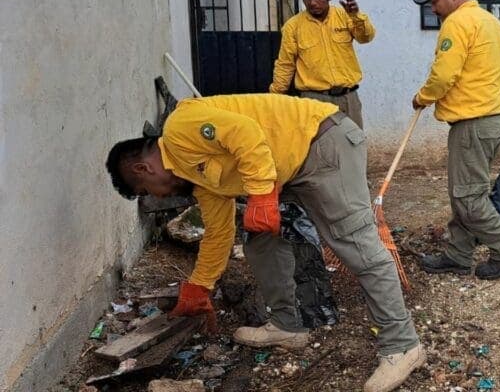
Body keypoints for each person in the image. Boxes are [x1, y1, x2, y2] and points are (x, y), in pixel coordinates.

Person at [105, 94, 424, 392]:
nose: (157, 197)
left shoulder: (179, 128)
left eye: (146, 191)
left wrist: (260, 193)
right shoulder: (197, 178)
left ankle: (403, 345)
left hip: (321, 143)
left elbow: (245, 132)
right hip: (287, 168)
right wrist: (200, 285)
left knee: (355, 245)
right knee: (260, 243)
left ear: (142, 168)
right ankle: (289, 326)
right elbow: (218, 234)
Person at [411, 0, 500, 280]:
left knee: (467, 196)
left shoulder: (456, 23)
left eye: (434, 1)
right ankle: (457, 254)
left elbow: (445, 74)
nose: (432, 9)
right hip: (491, 118)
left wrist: (423, 97)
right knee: (465, 189)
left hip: (473, 123)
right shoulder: (489, 20)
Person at [270, 0, 374, 128]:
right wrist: (275, 96)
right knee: (319, 147)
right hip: (314, 100)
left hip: (348, 98)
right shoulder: (293, 26)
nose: (312, 3)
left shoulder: (345, 16)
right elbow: (285, 64)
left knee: (354, 144)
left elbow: (365, 37)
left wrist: (356, 16)